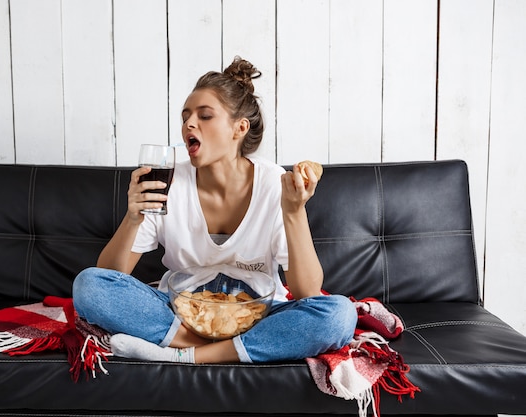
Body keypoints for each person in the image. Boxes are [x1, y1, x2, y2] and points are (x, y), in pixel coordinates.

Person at [72, 57, 357, 364]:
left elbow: (307, 291)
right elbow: (109, 277)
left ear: (239, 128)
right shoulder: (167, 181)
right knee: (88, 286)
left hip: (258, 316)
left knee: (339, 315)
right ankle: (223, 350)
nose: (189, 124)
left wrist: (293, 211)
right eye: (186, 117)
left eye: (205, 116)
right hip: (179, 313)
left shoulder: (274, 182)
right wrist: (132, 219)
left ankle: (185, 355)